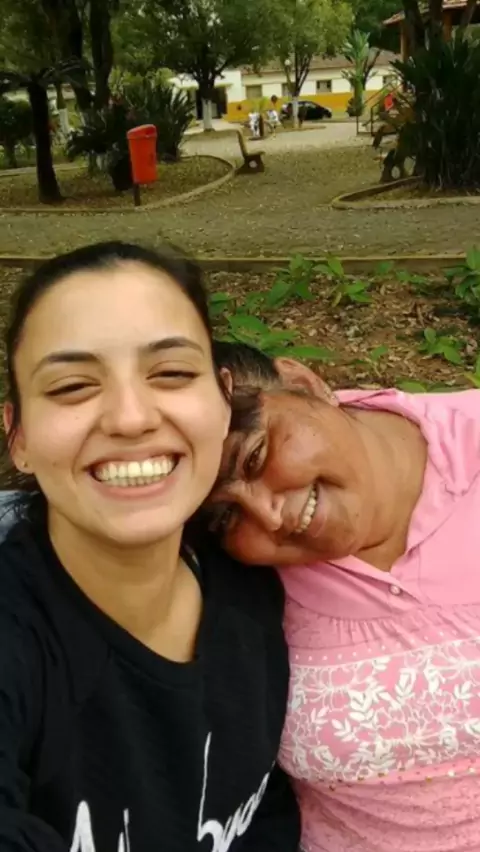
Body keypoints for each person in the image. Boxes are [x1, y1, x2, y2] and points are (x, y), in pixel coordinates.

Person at [0, 246, 300, 852]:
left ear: (223, 401)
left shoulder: (253, 585)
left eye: (171, 374)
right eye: (73, 386)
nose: (131, 418)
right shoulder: (18, 643)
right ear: (19, 436)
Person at [207, 341, 480, 852]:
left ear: (304, 384)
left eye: (256, 455)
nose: (269, 515)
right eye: (225, 516)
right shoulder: (234, 580)